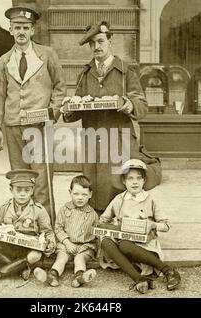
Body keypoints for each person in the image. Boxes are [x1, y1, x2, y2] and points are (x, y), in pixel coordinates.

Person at [61, 21, 148, 214]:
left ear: (110, 41)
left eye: (100, 41)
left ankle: (120, 228)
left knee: (117, 184)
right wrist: (68, 108)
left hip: (119, 140)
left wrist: (129, 104)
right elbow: (76, 108)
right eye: (92, 44)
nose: (96, 47)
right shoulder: (85, 74)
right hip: (93, 138)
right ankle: (94, 226)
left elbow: (142, 105)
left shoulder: (126, 72)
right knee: (92, 185)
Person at [0, 6, 66, 220]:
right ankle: (23, 226)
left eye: (25, 27)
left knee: (42, 179)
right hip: (13, 125)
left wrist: (52, 113)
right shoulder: (4, 60)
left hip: (40, 127)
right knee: (20, 178)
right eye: (17, 28)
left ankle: (45, 228)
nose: (21, 32)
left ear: (33, 30)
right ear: (11, 30)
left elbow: (60, 87)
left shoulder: (48, 54)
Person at [98, 159, 181, 294]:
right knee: (106, 241)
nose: (135, 182)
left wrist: (152, 224)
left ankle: (168, 271)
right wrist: (113, 225)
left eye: (138, 178)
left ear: (144, 181)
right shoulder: (119, 199)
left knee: (125, 244)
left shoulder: (150, 200)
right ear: (124, 181)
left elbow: (166, 225)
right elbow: (103, 219)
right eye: (130, 178)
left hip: (142, 246)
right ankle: (139, 278)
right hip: (122, 240)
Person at [0, 169, 56, 284]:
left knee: (36, 255)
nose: (22, 193)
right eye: (18, 190)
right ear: (11, 190)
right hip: (7, 248)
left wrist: (51, 243)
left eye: (27, 190)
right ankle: (21, 268)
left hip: (27, 250)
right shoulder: (4, 208)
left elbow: (48, 232)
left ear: (32, 190)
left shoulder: (39, 210)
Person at [33, 175, 98, 288]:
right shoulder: (64, 209)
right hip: (65, 244)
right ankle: (52, 275)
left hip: (84, 246)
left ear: (90, 195)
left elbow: (97, 234)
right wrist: (67, 242)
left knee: (80, 258)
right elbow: (58, 228)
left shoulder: (93, 214)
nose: (80, 198)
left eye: (84, 194)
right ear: (70, 192)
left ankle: (80, 277)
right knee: (61, 257)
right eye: (76, 194)